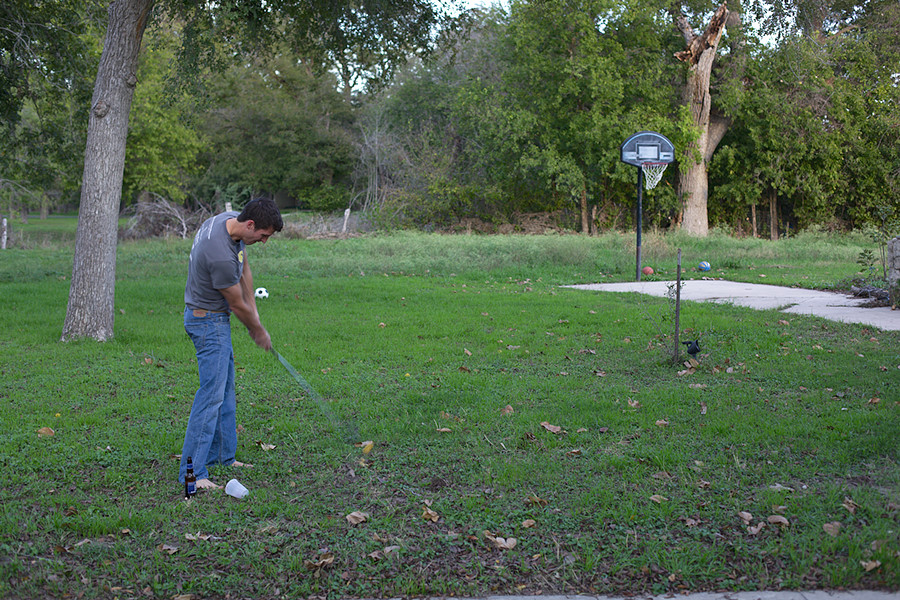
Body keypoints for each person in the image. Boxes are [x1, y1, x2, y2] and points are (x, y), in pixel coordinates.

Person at [179, 198, 284, 490]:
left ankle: (223, 457)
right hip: (207, 323)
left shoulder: (229, 222)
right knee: (210, 396)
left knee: (224, 391)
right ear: (250, 224)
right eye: (262, 235)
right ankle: (193, 475)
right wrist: (257, 330)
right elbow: (236, 303)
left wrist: (256, 312)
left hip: (214, 320)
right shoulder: (219, 255)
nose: (263, 241)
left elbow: (244, 268)